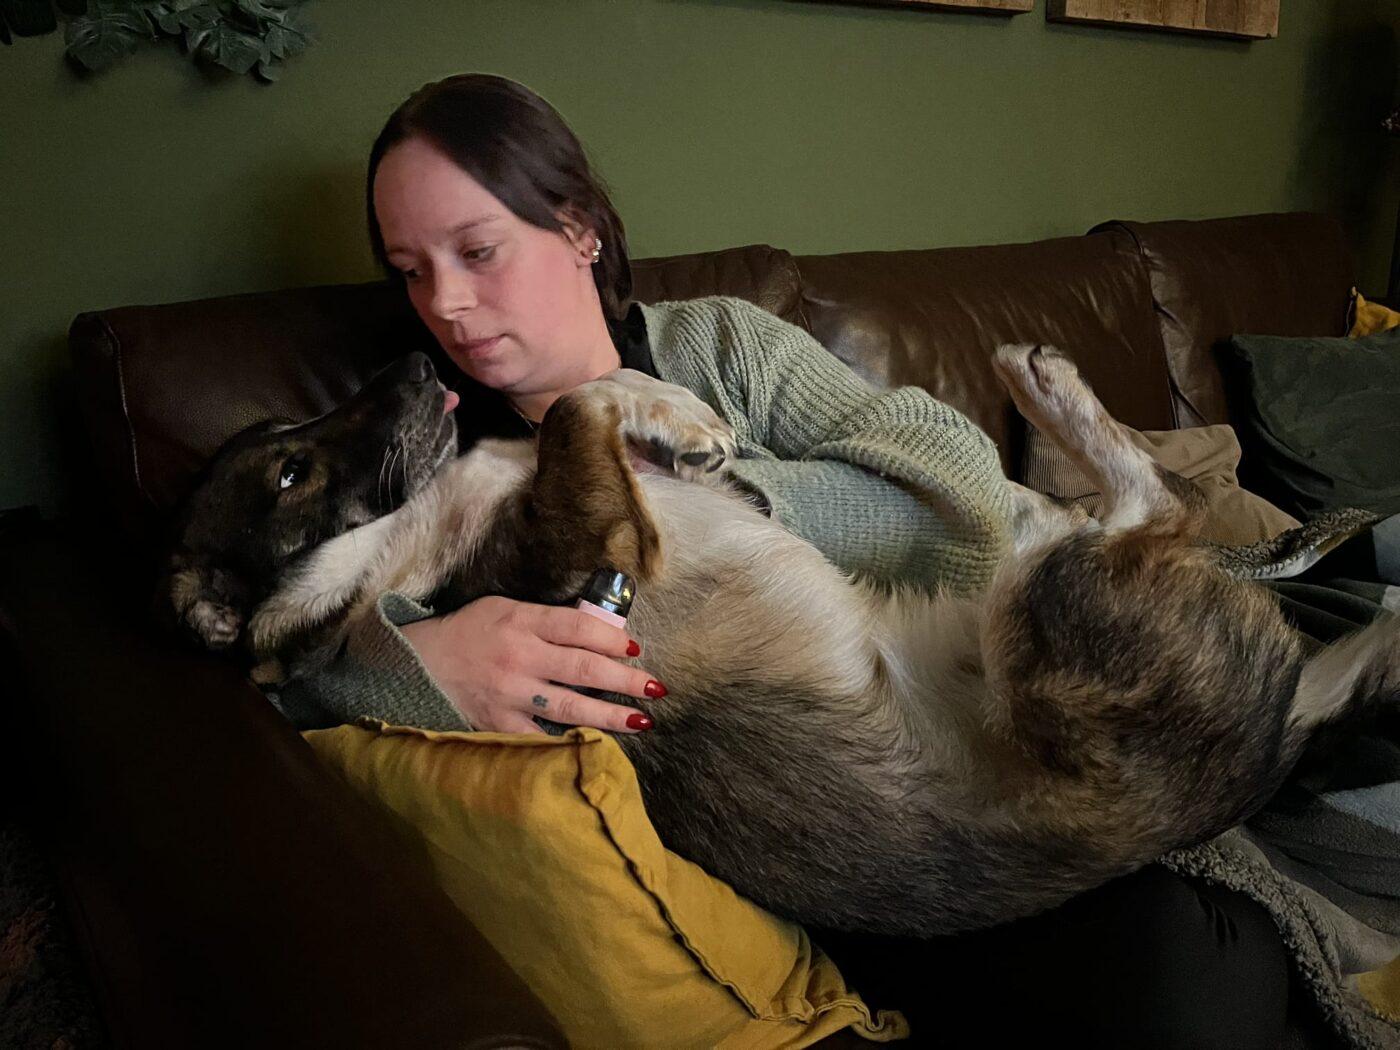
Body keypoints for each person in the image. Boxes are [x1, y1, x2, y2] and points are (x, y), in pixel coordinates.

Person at [282, 73, 1295, 1048]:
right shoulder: (437, 464)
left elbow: (957, 487)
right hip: (812, 834)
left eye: (477, 249)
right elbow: (284, 669)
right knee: (1183, 982)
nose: (446, 303)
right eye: (410, 269)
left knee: (1218, 938)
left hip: (980, 697)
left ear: (578, 227)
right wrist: (425, 659)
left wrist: (713, 507)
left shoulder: (715, 347)